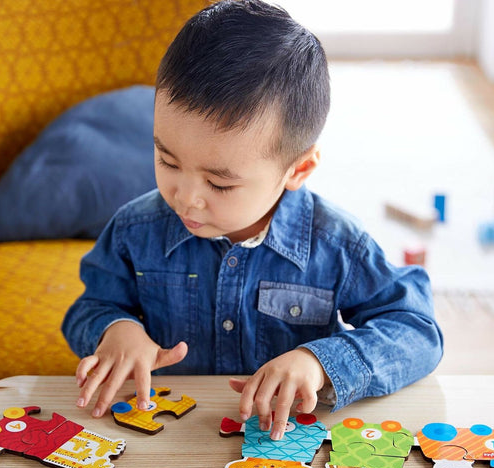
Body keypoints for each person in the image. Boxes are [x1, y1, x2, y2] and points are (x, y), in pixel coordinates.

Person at [62, 0, 443, 441]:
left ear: (296, 170)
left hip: (282, 446)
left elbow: (416, 330)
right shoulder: (134, 229)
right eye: (167, 159)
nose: (186, 198)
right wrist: (116, 330)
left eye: (219, 185)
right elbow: (89, 307)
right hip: (162, 443)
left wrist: (320, 362)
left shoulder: (338, 244)